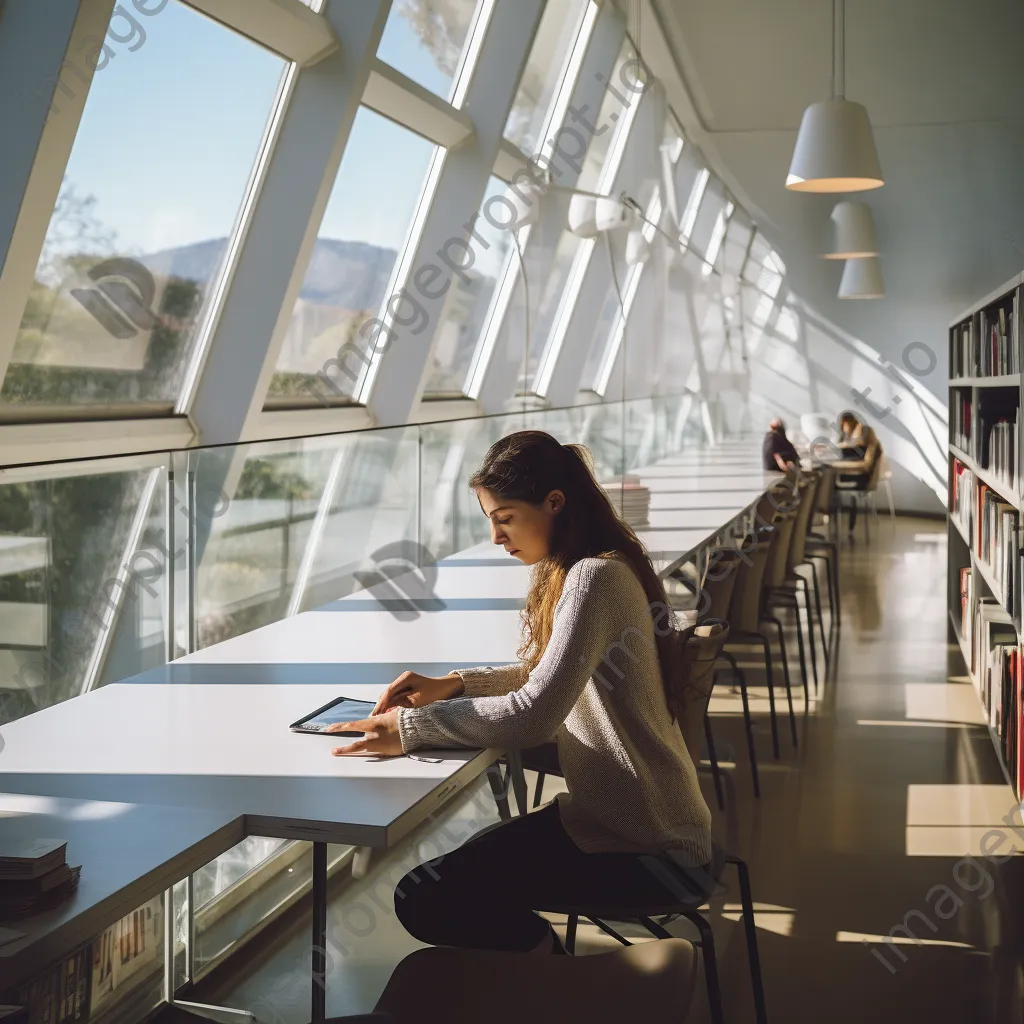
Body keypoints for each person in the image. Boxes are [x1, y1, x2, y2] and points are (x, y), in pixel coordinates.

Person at [327, 430, 714, 954]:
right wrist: (456, 684)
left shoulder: (594, 578)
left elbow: (533, 716)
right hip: (621, 823)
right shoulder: (591, 566)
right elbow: (551, 675)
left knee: (427, 897)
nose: (495, 536)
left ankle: (549, 982)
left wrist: (409, 729)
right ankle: (544, 974)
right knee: (443, 884)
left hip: (648, 849)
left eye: (504, 517)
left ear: (554, 503)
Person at [834, 411, 881, 535]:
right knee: (830, 478)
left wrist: (838, 463)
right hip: (863, 477)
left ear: (846, 422)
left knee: (828, 482)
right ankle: (842, 526)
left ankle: (833, 526)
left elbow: (863, 462)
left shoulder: (862, 431)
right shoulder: (866, 437)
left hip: (861, 479)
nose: (845, 431)